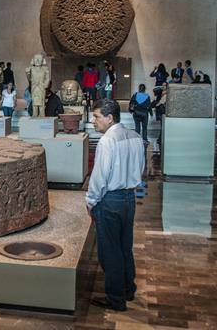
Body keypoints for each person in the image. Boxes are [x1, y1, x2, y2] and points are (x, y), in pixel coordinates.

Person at [86, 99, 145, 311]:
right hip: (129, 198)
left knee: (110, 251)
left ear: (110, 118)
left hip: (110, 200)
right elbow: (140, 168)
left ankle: (115, 298)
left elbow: (100, 177)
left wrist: (91, 201)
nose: (94, 121)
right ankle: (128, 289)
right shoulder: (136, 137)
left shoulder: (107, 141)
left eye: (97, 117)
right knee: (124, 247)